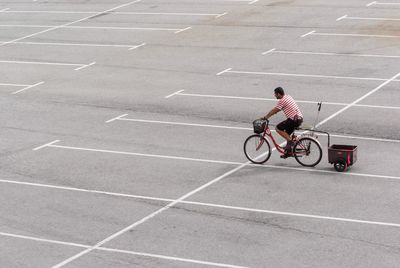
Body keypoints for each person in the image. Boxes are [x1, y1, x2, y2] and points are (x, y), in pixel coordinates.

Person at [260, 87, 303, 156]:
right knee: (286, 134)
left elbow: (275, 110)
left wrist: (265, 117)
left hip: (294, 120)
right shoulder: (288, 97)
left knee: (278, 128)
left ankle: (291, 143)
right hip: (299, 118)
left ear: (279, 94)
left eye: (275, 94)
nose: (274, 95)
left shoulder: (282, 101)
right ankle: (288, 152)